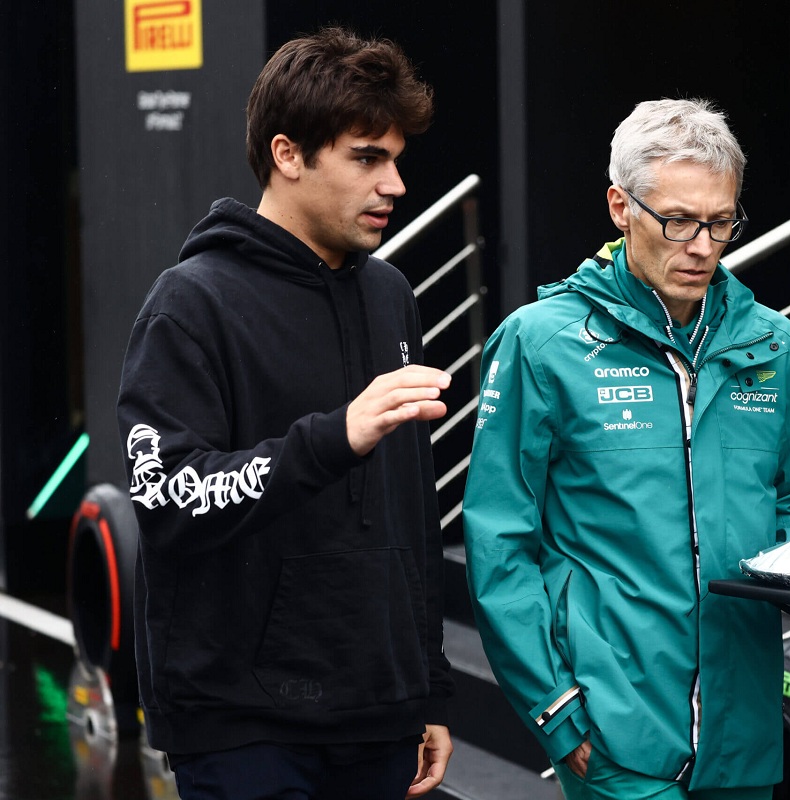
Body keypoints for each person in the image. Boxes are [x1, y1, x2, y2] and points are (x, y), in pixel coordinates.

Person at [461, 97, 790, 798]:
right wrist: (554, 708)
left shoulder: (777, 346)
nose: (702, 246)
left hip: (745, 735)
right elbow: (499, 541)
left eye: (721, 222)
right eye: (678, 221)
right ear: (619, 206)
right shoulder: (541, 341)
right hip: (613, 735)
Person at [116, 26, 454, 799]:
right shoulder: (191, 302)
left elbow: (410, 509)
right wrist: (332, 438)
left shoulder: (389, 295)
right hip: (242, 727)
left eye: (397, 160)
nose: (395, 184)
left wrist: (427, 686)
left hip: (377, 714)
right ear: (288, 154)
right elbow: (167, 496)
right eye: (367, 158)